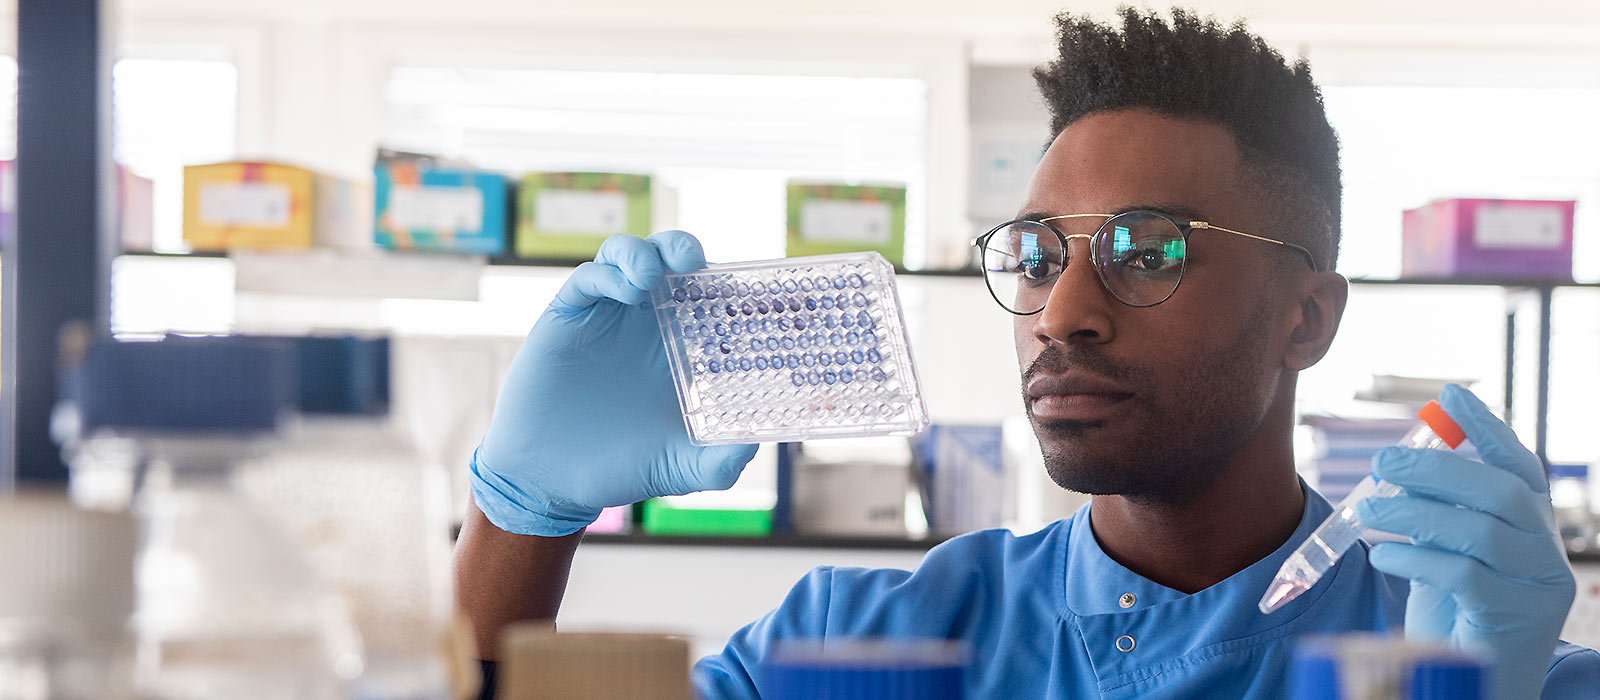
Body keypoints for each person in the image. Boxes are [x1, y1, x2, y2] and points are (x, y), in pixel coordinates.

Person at [454, 7, 1600, 699]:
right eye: (1037, 253)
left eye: (1147, 251)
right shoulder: (858, 652)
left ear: (1305, 316)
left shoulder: (1471, 656)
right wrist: (522, 513)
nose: (1062, 312)